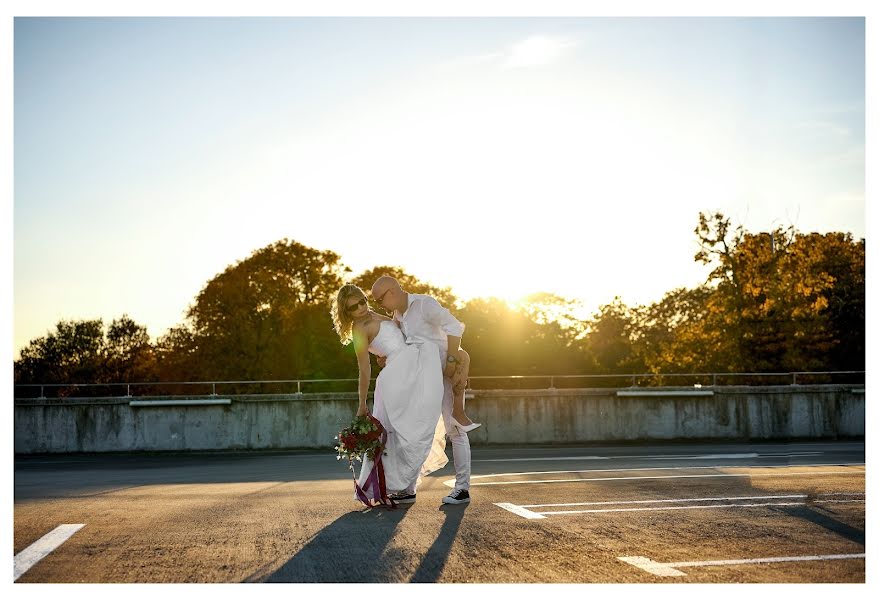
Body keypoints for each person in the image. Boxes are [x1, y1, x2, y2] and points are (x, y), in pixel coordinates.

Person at [331, 284, 448, 501]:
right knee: (398, 433)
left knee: (417, 424)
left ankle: (408, 486)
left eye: (362, 301)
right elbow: (364, 370)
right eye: (354, 307)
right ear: (347, 312)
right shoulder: (359, 329)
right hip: (395, 378)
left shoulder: (377, 314)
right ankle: (402, 487)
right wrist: (362, 404)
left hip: (412, 365)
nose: (361, 308)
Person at [371, 275, 477, 505]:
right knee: (413, 430)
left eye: (380, 299)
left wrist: (450, 360)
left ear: (391, 292)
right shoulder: (398, 316)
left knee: (455, 428)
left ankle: (462, 488)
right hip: (419, 378)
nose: (380, 305)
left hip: (444, 373)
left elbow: (454, 326)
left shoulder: (424, 304)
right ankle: (408, 489)